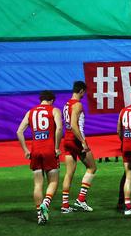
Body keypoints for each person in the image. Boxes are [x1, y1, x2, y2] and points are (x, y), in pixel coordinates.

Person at [16, 91, 63, 224]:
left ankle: (39, 215)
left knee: (38, 184)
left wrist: (25, 150)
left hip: (35, 150)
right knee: (53, 181)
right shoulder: (54, 110)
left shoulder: (30, 112)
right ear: (52, 100)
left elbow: (19, 131)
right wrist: (57, 147)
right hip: (49, 149)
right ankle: (46, 204)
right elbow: (59, 129)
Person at [61, 80, 97, 213]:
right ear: (81, 91)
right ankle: (81, 199)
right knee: (92, 167)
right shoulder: (78, 105)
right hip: (76, 139)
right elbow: (74, 125)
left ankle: (65, 205)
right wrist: (82, 141)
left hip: (67, 139)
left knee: (69, 173)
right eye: (84, 92)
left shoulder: (66, 104)